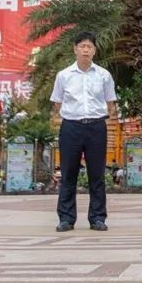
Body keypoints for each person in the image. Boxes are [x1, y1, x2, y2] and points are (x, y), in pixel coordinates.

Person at [50, 31, 118, 232]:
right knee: (68, 173)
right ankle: (66, 218)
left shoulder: (104, 75)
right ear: (75, 49)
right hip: (71, 127)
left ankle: (97, 217)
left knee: (96, 175)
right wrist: (71, 115)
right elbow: (57, 103)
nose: (85, 50)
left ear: (94, 50)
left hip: (97, 127)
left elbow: (110, 102)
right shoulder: (63, 76)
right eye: (82, 46)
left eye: (89, 47)